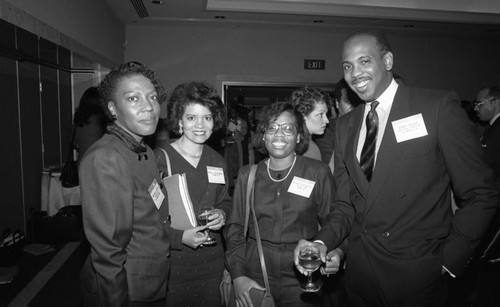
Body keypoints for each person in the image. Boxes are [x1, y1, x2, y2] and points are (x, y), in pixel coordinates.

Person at [294, 30, 499, 307]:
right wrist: (321, 242)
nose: (355, 73)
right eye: (347, 66)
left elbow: (481, 193)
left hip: (418, 277)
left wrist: (448, 261)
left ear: (387, 60)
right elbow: (345, 204)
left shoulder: (435, 107)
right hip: (360, 279)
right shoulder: (346, 125)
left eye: (364, 61)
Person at [79, 61, 178, 306]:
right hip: (124, 289)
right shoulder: (106, 157)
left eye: (153, 97)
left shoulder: (141, 149)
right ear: (112, 108)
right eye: (133, 99)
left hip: (148, 282)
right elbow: (108, 250)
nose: (149, 107)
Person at [225, 101, 335, 306]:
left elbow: (333, 223)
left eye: (288, 129)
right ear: (264, 135)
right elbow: (235, 229)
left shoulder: (317, 172)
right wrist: (238, 275)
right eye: (272, 128)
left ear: (299, 135)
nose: (279, 134)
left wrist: (335, 252)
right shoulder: (247, 175)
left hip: (302, 272)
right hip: (255, 270)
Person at [154, 81, 231, 306]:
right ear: (179, 121)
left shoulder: (218, 160)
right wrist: (179, 238)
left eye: (207, 118)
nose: (200, 125)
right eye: (191, 118)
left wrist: (222, 214)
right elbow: (144, 219)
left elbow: (225, 200)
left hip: (212, 261)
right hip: (173, 264)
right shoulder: (159, 159)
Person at [291, 85, 330, 160]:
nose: (327, 120)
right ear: (303, 115)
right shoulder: (309, 149)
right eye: (320, 114)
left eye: (326, 114)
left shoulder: (292, 143)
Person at [72, 86, 107, 166]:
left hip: (82, 164)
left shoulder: (80, 119)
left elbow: (73, 140)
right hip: (97, 165)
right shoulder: (99, 120)